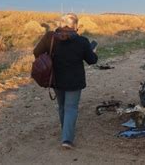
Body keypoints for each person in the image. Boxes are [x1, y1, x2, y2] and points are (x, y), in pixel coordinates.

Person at [33, 13, 98, 149]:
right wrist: (94, 51)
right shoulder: (82, 41)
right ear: (75, 26)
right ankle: (67, 139)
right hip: (74, 81)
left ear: (61, 25)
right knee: (71, 108)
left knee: (62, 107)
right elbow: (92, 60)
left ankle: (65, 132)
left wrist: (50, 56)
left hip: (56, 78)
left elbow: (36, 52)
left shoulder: (49, 37)